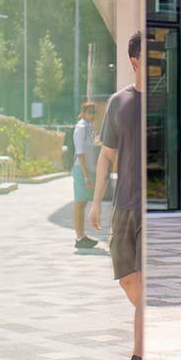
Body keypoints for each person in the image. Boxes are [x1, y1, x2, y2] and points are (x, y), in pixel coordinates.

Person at [90, 32, 146, 360]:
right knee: (128, 280)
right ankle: (148, 322)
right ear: (134, 61)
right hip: (123, 204)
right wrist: (97, 201)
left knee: (145, 286)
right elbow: (106, 155)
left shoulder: (166, 100)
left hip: (150, 208)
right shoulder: (119, 101)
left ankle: (138, 358)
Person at [72, 102, 99, 249]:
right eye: (90, 111)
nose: (93, 114)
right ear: (83, 112)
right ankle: (80, 237)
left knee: (82, 203)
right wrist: (86, 176)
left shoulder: (89, 127)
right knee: (79, 203)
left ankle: (81, 236)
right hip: (81, 170)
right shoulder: (81, 128)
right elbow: (80, 153)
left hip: (87, 170)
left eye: (94, 112)